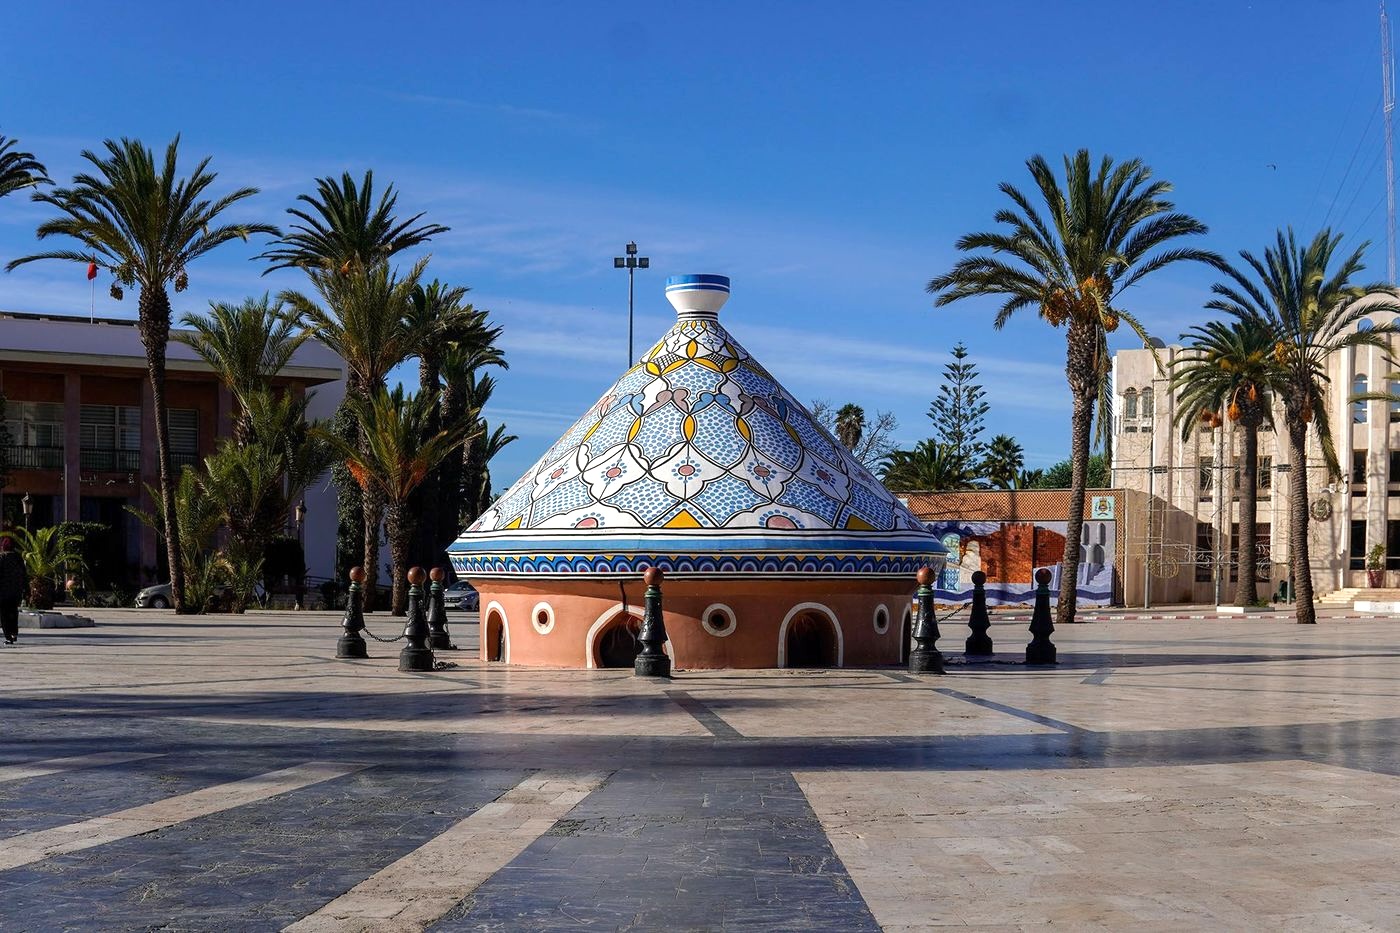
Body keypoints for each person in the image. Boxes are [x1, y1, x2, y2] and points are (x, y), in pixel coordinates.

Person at [0, 534, 26, 645]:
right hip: (16, 591)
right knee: (13, 612)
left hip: (3, 592)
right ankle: (14, 633)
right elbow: (24, 574)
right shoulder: (18, 558)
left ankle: (8, 637)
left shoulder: (2, 558)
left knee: (4, 614)